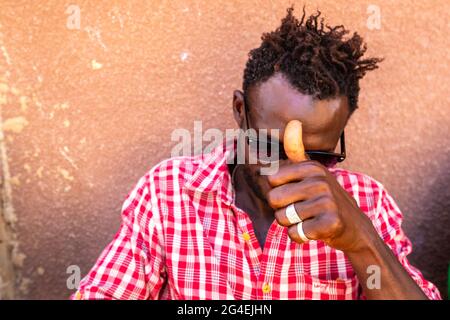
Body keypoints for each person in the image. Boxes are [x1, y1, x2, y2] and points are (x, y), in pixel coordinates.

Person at [72, 7, 440, 300]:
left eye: (318, 155)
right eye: (268, 145)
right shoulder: (168, 194)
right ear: (239, 110)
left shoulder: (369, 204)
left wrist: (361, 240)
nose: (289, 169)